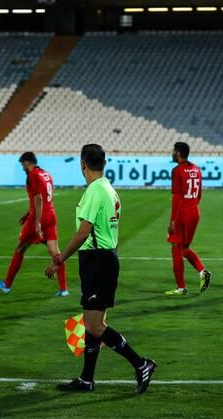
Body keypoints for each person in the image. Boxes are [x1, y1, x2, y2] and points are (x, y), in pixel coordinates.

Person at [46, 144, 156, 394]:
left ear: (82, 163)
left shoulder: (95, 190)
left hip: (97, 261)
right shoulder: (108, 188)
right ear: (104, 163)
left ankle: (141, 364)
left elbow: (84, 231)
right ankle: (86, 379)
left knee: (95, 325)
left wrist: (59, 258)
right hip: (105, 258)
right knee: (91, 322)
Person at [0, 152, 68, 296]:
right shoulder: (46, 174)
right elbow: (44, 197)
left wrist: (37, 222)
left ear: (27, 163)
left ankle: (6, 285)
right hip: (51, 214)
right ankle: (63, 289)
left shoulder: (32, 175)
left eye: (22, 165)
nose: (22, 168)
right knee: (55, 252)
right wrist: (28, 213)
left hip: (38, 217)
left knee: (20, 248)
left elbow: (38, 198)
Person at [165, 142, 212, 296]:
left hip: (182, 214)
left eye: (173, 151)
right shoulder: (196, 169)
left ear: (178, 153)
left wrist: (173, 221)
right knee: (184, 248)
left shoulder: (177, 170)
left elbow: (177, 198)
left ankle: (181, 287)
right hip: (194, 212)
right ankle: (202, 271)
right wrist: (191, 208)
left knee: (176, 248)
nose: (172, 153)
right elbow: (199, 195)